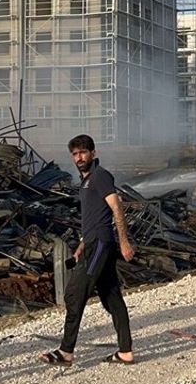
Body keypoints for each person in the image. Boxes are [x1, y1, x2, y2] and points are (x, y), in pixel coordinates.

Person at [41, 134, 136, 367]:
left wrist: (123, 242)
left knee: (75, 293)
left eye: (83, 152)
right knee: (111, 297)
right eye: (75, 153)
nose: (79, 157)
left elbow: (117, 208)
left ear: (92, 153)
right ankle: (125, 352)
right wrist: (82, 244)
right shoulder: (86, 181)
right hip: (93, 243)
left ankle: (66, 352)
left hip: (101, 244)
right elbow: (94, 216)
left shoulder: (100, 176)